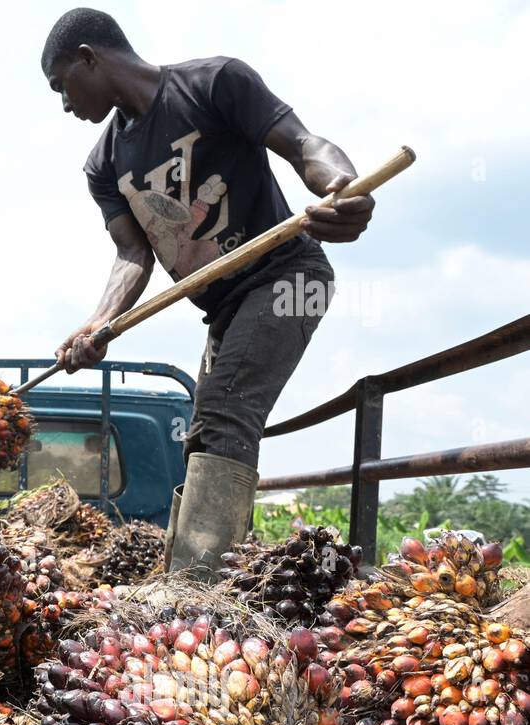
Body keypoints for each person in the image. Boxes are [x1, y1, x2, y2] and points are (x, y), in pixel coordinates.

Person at [40, 7, 374, 578]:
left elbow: (304, 145)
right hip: (224, 308)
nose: (65, 105)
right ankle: (208, 573)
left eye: (61, 86)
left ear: (89, 59)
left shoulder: (214, 83)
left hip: (292, 276)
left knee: (223, 419)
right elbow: (132, 254)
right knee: (203, 440)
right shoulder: (105, 163)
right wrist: (99, 322)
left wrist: (342, 185)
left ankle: (196, 596)